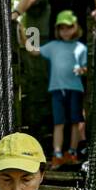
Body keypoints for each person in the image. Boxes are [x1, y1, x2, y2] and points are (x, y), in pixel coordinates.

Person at [24, 10, 87, 167]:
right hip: (57, 90)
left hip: (75, 89)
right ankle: (57, 154)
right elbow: (33, 51)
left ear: (75, 28)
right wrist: (22, 32)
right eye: (62, 28)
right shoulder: (53, 46)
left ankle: (72, 152)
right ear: (57, 30)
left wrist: (81, 70)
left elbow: (85, 68)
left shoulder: (81, 47)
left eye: (69, 27)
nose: (65, 31)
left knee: (75, 121)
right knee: (58, 122)